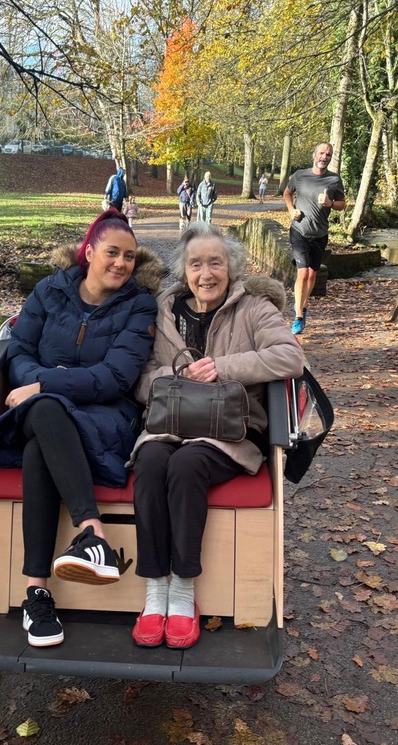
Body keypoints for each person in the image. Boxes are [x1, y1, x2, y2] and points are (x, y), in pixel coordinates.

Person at [0, 209, 160, 648]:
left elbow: (116, 377)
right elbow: (18, 351)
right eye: (112, 253)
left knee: (42, 429)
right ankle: (92, 534)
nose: (121, 263)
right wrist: (34, 384)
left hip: (108, 417)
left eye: (130, 257)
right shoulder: (49, 291)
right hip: (39, 408)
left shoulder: (140, 304)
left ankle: (36, 592)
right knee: (46, 414)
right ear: (89, 251)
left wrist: (44, 384)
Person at [128, 223, 304, 649]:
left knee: (187, 466)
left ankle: (183, 592)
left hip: (231, 433)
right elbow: (140, 381)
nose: (206, 273)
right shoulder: (163, 311)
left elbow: (291, 356)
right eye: (195, 264)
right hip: (169, 425)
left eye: (215, 263)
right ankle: (155, 591)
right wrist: (178, 374)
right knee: (151, 464)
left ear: (231, 267)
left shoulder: (255, 308)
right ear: (183, 271)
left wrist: (222, 367)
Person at [283, 142, 346, 335]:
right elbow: (287, 192)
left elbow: (342, 204)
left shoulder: (334, 179)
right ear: (314, 155)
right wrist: (291, 210)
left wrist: (330, 203)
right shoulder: (299, 176)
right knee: (302, 273)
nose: (324, 157)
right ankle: (299, 316)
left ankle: (303, 304)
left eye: (328, 154)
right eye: (321, 153)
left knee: (312, 274)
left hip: (320, 234)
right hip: (299, 231)